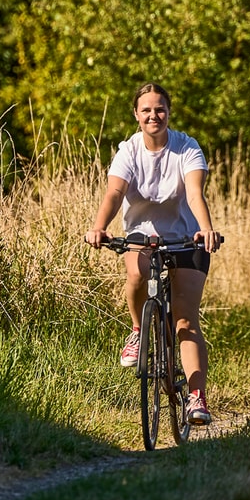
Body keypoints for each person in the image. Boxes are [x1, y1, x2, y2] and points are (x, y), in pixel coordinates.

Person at [85, 82, 221, 426]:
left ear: (168, 112)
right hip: (141, 236)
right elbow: (115, 192)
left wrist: (204, 228)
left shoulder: (187, 148)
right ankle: (136, 330)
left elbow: (194, 192)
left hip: (187, 238)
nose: (153, 115)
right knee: (136, 272)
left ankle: (195, 398)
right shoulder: (128, 151)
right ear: (136, 114)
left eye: (159, 109)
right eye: (146, 110)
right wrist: (100, 227)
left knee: (186, 321)